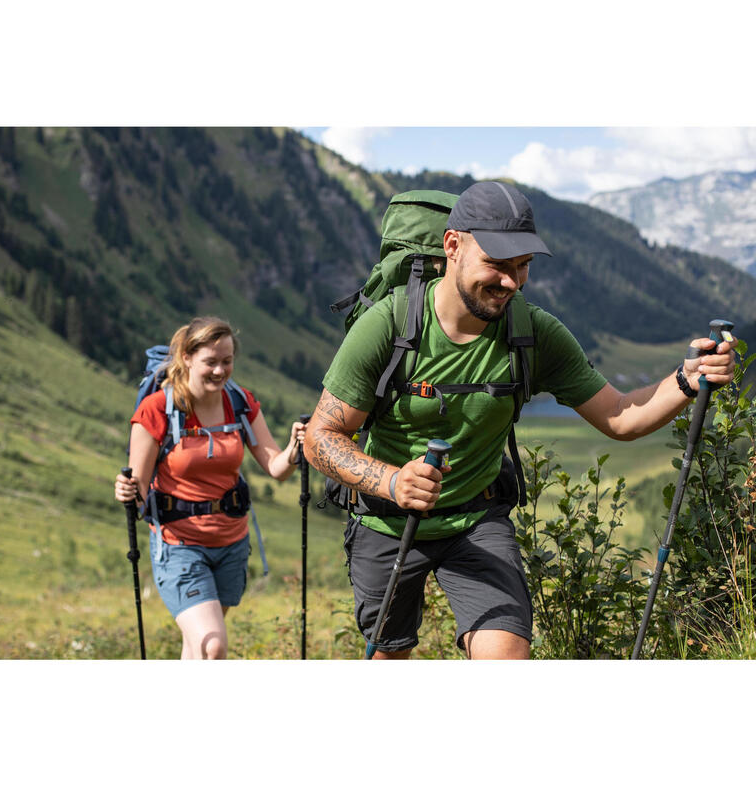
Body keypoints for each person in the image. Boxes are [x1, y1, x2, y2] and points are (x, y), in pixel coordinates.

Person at [304, 180, 737, 660]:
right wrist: (391, 481)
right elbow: (322, 437)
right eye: (497, 265)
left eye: (522, 266)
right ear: (453, 246)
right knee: (391, 658)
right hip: (387, 522)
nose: (512, 282)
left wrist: (685, 379)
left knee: (507, 658)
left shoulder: (533, 332)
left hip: (476, 520)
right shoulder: (389, 325)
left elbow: (619, 416)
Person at [114, 316, 306, 659]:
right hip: (180, 546)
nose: (220, 371)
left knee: (197, 649)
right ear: (186, 357)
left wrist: (294, 448)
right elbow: (139, 491)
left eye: (227, 361)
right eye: (211, 362)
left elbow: (277, 468)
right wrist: (126, 491)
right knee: (212, 645)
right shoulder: (157, 410)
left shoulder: (239, 401)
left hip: (232, 544)